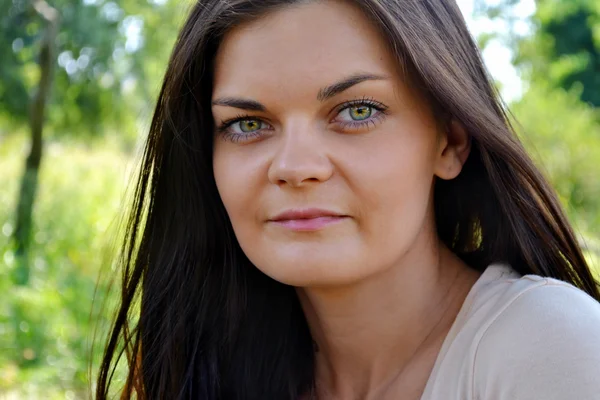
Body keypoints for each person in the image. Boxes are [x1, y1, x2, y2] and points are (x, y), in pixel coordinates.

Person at [95, 0, 600, 399]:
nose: (295, 166)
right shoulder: (211, 367)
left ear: (449, 141)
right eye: (247, 124)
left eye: (357, 111)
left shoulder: (549, 347)